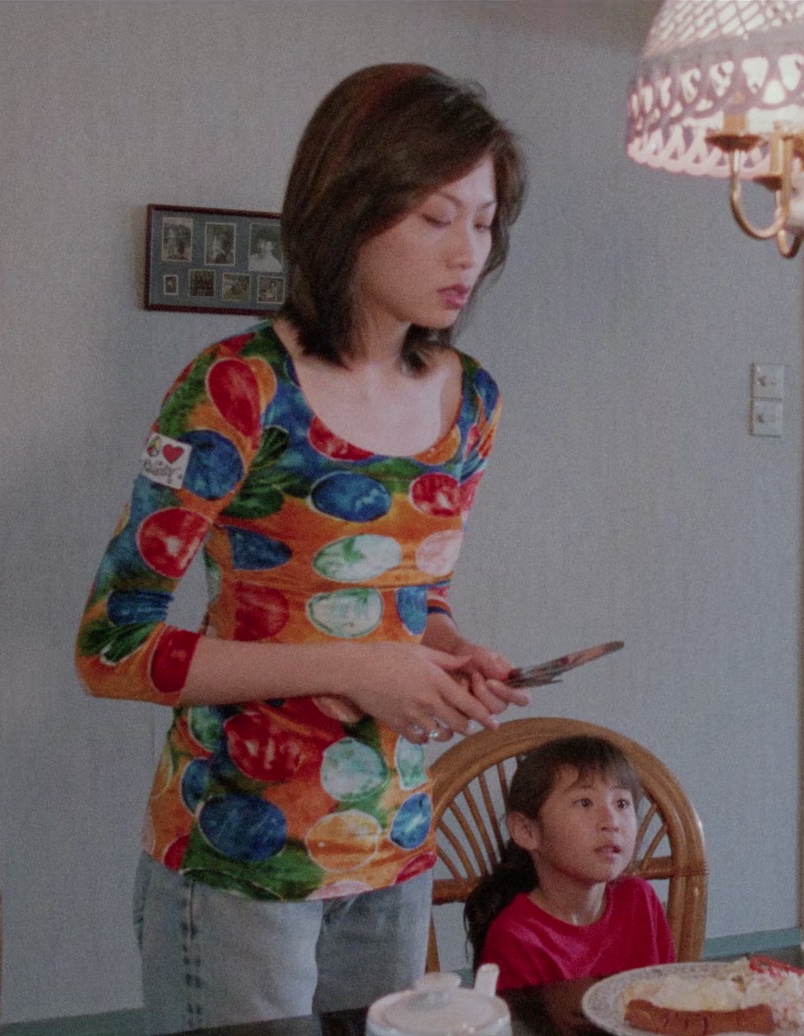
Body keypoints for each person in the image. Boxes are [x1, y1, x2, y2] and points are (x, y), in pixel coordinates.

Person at [73, 63, 529, 1028]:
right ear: (350, 211)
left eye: (485, 222)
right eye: (436, 218)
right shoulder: (238, 387)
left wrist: (446, 653)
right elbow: (113, 648)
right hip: (243, 852)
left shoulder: (471, 400)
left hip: (395, 845)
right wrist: (354, 669)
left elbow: (406, 600)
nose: (469, 253)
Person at [465, 736, 675, 991]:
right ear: (527, 831)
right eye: (585, 803)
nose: (611, 821)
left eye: (621, 803)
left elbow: (669, 997)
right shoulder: (516, 937)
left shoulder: (640, 899)